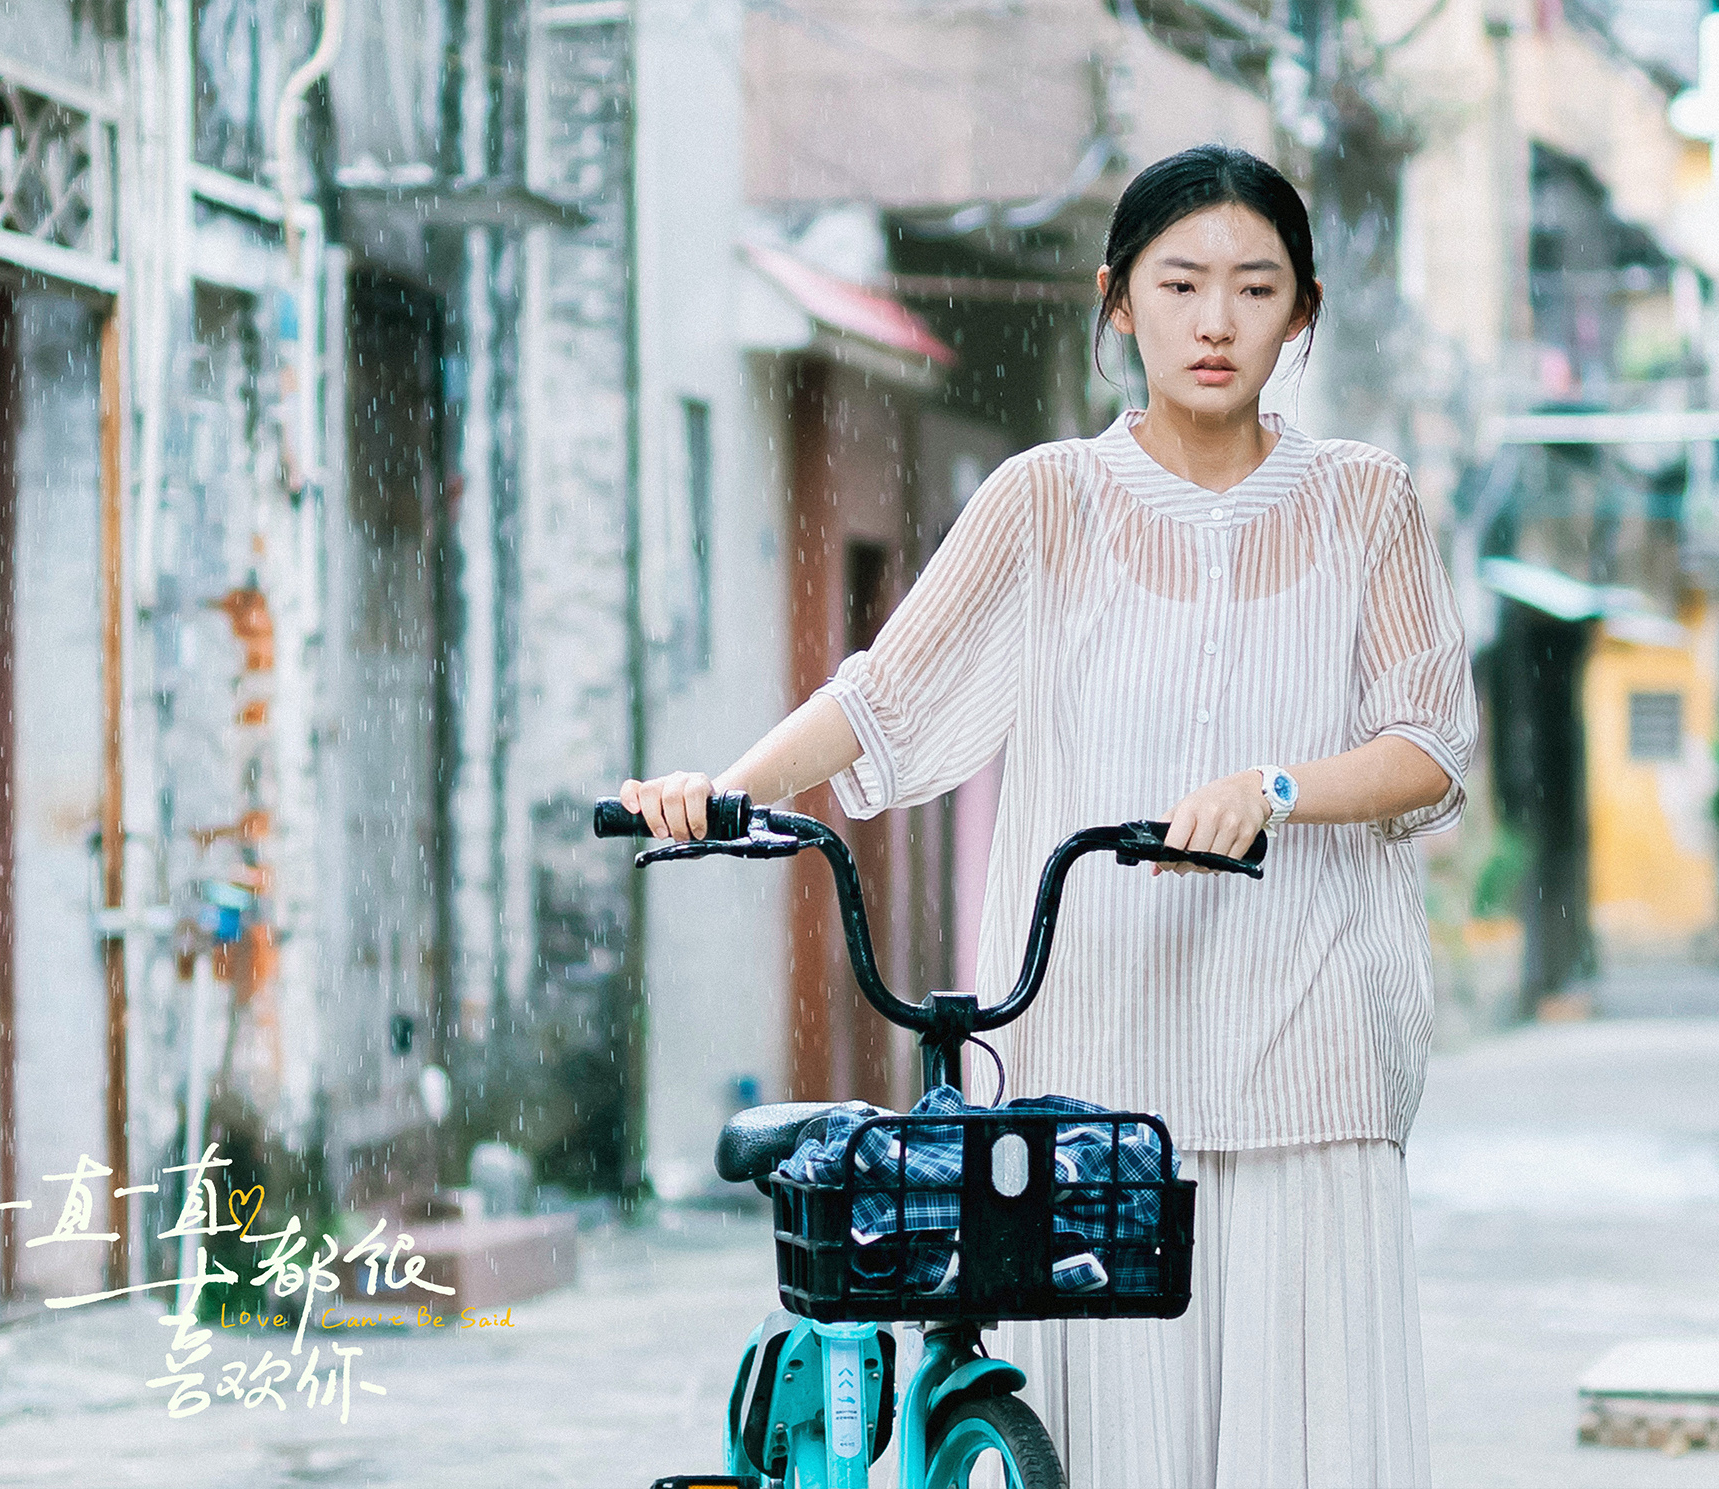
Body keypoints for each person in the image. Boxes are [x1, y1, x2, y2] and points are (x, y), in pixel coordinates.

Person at [619, 143, 1475, 1489]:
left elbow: (1425, 744)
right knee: (1098, 1435)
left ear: (1302, 313)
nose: (1214, 320)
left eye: (1253, 289)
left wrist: (1276, 786)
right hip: (1095, 1047)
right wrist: (723, 789)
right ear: (1117, 300)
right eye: (1179, 282)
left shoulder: (1364, 499)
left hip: (1310, 1040)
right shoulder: (1044, 500)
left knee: (1307, 1442)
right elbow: (882, 695)